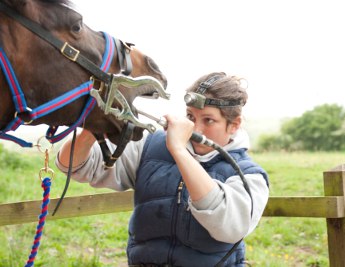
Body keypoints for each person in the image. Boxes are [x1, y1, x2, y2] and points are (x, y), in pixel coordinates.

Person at [56, 72, 269, 267]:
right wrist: (94, 127)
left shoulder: (249, 176)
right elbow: (75, 166)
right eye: (190, 117)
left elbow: (226, 224)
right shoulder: (150, 146)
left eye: (209, 120)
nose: (195, 128)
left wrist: (178, 150)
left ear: (234, 125)